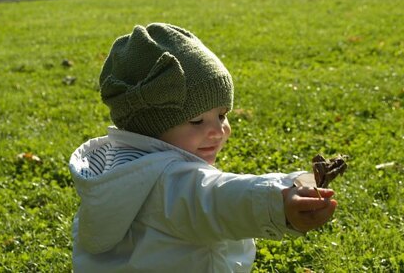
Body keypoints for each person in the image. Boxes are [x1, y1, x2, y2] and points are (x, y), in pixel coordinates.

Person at [69, 23, 337, 272]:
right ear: (150, 126)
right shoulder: (172, 182)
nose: (218, 130)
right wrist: (281, 199)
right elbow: (220, 199)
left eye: (222, 115)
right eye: (197, 120)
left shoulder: (116, 165)